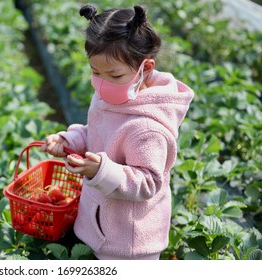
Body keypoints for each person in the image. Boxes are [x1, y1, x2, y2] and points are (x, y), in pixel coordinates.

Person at [41, 4, 194, 260]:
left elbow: (148, 183)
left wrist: (102, 171)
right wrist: (69, 140)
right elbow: (96, 132)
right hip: (100, 224)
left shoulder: (147, 129)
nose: (102, 82)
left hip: (129, 243)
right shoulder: (109, 95)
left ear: (145, 69)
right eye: (95, 72)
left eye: (114, 74)